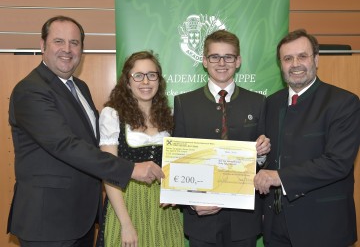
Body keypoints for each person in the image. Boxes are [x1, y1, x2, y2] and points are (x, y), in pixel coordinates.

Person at [7, 16, 164, 247]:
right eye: (58, 41)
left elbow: (91, 143)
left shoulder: (79, 87)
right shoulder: (30, 91)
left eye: (74, 43)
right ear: (42, 46)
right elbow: (65, 145)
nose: (67, 50)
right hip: (48, 222)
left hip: (82, 218)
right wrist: (130, 168)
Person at [254, 29, 360, 247]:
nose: (295, 64)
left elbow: (338, 163)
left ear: (316, 59)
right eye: (287, 58)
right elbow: (270, 157)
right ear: (280, 64)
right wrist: (259, 157)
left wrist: (278, 177)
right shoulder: (271, 103)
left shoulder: (343, 103)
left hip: (322, 228)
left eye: (302, 56)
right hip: (276, 227)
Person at [173, 29, 271, 247]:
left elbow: (264, 163)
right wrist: (191, 204)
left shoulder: (258, 102)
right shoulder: (184, 103)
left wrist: (262, 154)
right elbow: (179, 163)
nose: (222, 62)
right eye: (214, 56)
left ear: (238, 61)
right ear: (205, 61)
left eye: (228, 57)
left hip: (244, 218)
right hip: (201, 218)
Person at [96, 51, 184, 247]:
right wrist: (125, 224)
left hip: (163, 210)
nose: (146, 82)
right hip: (126, 204)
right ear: (127, 82)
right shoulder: (112, 116)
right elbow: (109, 172)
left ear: (159, 81)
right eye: (138, 76)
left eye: (152, 75)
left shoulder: (170, 116)